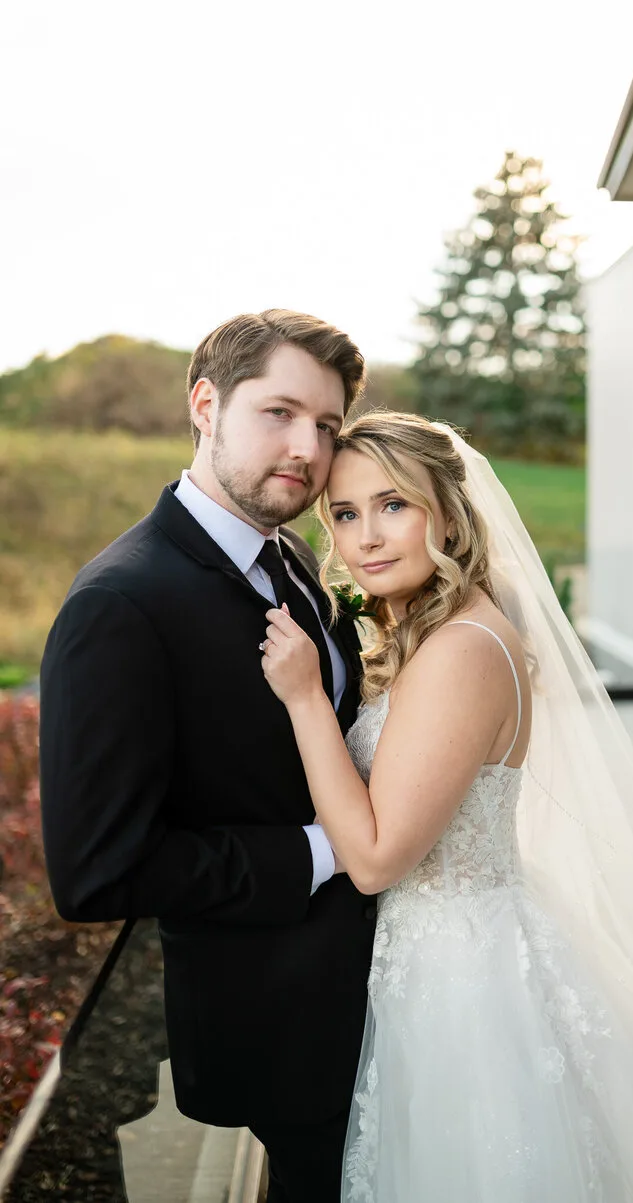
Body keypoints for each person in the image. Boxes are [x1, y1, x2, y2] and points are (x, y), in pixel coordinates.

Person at [260, 410, 633, 1202]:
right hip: (442, 956)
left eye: (394, 504)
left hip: (464, 984)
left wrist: (305, 697)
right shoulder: (448, 626)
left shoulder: (460, 651)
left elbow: (375, 861)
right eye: (345, 513)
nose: (366, 535)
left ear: (446, 511)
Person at [39, 309, 376, 1203]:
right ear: (205, 403)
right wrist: (334, 845)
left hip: (371, 996)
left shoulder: (293, 552)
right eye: (280, 412)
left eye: (328, 425)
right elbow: (97, 872)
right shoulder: (121, 604)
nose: (308, 447)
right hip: (279, 1024)